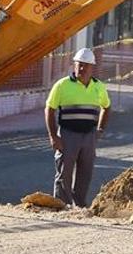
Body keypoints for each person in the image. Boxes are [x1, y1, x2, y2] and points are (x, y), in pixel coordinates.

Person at [44, 47, 111, 207]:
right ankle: (61, 205)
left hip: (89, 136)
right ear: (74, 65)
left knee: (85, 173)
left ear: (92, 67)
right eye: (79, 64)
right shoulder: (62, 85)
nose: (82, 68)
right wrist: (53, 136)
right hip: (67, 135)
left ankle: (79, 205)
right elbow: (49, 109)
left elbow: (106, 107)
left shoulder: (99, 87)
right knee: (64, 172)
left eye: (86, 65)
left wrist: (100, 129)